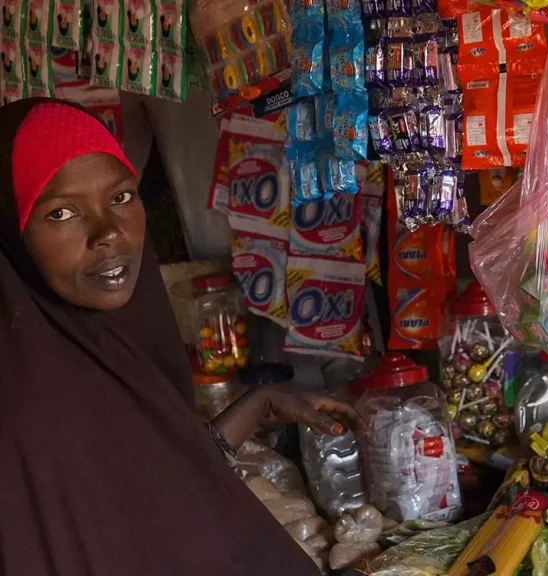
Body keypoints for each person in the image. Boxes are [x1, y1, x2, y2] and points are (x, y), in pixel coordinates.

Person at [0, 98, 358, 575]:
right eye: (62, 213)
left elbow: (145, 483)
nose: (109, 232)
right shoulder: (23, 399)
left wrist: (260, 402)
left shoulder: (100, 337)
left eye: (121, 197)